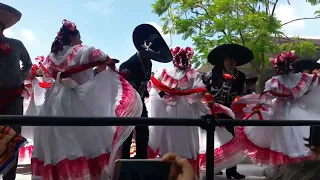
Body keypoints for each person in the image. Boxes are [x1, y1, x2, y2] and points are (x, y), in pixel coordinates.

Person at [31, 19, 143, 180]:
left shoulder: (52, 56)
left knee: (56, 144)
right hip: (75, 99)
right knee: (83, 142)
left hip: (53, 100)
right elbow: (104, 60)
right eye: (79, 36)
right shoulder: (83, 51)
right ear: (73, 37)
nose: (81, 40)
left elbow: (47, 73)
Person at [233, 50, 320, 179]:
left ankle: (292, 169)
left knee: (291, 140)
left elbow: (265, 99)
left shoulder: (293, 78)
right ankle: (289, 169)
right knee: (287, 140)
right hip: (285, 113)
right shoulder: (291, 79)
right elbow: (265, 99)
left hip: (284, 113)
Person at [119, 24, 172, 159]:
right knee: (127, 137)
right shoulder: (128, 65)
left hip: (141, 103)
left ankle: (142, 162)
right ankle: (125, 167)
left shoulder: (148, 62)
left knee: (143, 134)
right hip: (128, 107)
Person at [203, 44, 254, 179]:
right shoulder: (212, 73)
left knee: (233, 140)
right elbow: (203, 89)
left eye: (232, 60)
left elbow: (243, 93)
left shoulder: (241, 76)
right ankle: (214, 168)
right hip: (213, 111)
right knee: (213, 141)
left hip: (230, 112)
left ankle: (232, 170)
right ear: (223, 61)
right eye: (227, 59)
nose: (230, 62)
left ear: (236, 62)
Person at [0, 3, 32, 179]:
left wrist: (19, 78)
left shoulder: (16, 44)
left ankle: (10, 177)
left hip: (13, 98)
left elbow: (28, 64)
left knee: (12, 139)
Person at [19, 56, 53, 165]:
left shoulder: (47, 78)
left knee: (42, 130)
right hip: (35, 105)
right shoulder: (33, 78)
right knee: (35, 130)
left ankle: (44, 154)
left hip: (44, 104)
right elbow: (27, 90)